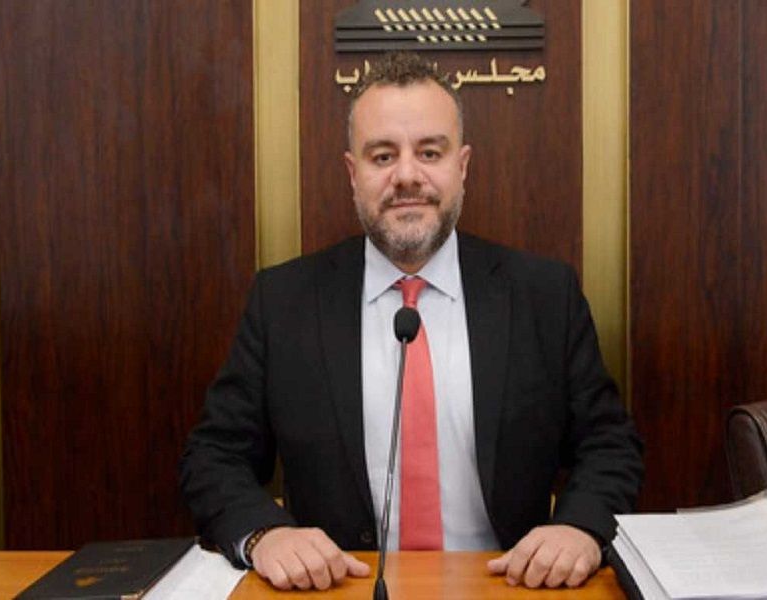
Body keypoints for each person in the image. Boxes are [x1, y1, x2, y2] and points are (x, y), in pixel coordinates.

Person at [180, 52, 643, 592]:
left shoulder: (543, 295)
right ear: (353, 174)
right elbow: (213, 457)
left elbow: (609, 445)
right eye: (382, 156)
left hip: (511, 587)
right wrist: (265, 535)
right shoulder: (284, 301)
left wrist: (579, 528)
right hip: (340, 589)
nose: (406, 176)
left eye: (429, 152)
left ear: (461, 167)